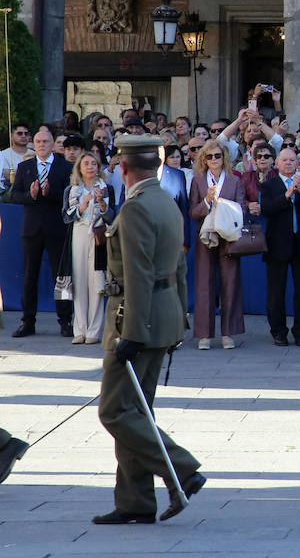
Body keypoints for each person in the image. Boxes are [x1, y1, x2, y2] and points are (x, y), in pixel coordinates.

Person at [92, 134, 204, 525]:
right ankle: (135, 501)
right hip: (164, 314)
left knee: (115, 411)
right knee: (136, 411)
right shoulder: (166, 200)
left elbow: (138, 275)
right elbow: (180, 266)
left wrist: (132, 333)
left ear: (124, 168)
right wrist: (180, 316)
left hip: (137, 319)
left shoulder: (137, 207)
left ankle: (181, 468)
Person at [12, 126, 75, 337]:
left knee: (62, 276)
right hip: (32, 230)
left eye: (46, 142)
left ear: (52, 144)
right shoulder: (25, 167)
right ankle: (27, 321)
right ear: (33, 143)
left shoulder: (65, 167)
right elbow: (15, 196)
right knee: (30, 275)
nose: (41, 145)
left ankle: (65, 321)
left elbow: (69, 195)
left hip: (56, 228)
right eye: (38, 142)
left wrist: (50, 193)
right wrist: (32, 195)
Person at [260, 148, 300, 346]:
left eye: (292, 160)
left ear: (297, 163)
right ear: (277, 163)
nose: (288, 163)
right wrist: (287, 195)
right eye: (285, 160)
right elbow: (267, 210)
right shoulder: (269, 185)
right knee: (275, 291)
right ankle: (278, 331)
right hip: (277, 244)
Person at [187, 141, 246, 351]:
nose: (214, 160)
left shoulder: (233, 180)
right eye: (210, 156)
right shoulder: (197, 180)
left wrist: (225, 209)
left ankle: (228, 333)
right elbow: (193, 212)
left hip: (228, 236)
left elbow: (242, 209)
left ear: (224, 158)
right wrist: (207, 201)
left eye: (217, 156)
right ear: (204, 159)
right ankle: (205, 335)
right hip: (205, 237)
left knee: (230, 284)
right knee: (204, 285)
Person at [62, 151, 113, 345]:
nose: (90, 167)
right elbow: (66, 217)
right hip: (79, 235)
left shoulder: (106, 188)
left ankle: (94, 330)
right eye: (86, 164)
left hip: (99, 236)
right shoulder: (72, 190)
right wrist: (82, 206)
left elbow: (111, 216)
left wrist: (100, 202)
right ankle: (80, 329)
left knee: (97, 282)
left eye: (94, 163)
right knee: (80, 281)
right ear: (79, 168)